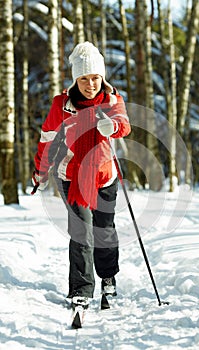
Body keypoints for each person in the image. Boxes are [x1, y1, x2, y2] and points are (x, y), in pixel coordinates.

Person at [32, 42, 131, 310]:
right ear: (76, 79)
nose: (91, 84)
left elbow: (125, 126)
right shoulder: (61, 106)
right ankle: (81, 289)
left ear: (102, 77)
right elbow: (47, 140)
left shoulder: (112, 100)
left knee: (105, 231)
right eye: (84, 79)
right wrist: (40, 172)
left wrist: (113, 126)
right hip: (71, 176)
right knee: (81, 233)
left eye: (96, 78)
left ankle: (108, 277)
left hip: (105, 176)